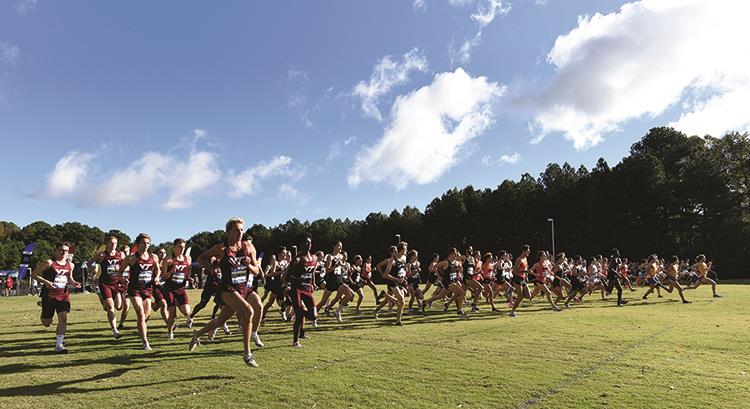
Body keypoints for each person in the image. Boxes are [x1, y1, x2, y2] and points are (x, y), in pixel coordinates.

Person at [189, 217, 261, 367]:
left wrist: (249, 266)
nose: (240, 233)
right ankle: (247, 354)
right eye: (236, 230)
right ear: (228, 232)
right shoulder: (221, 249)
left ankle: (197, 334)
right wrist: (210, 268)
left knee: (221, 321)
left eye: (242, 230)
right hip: (228, 289)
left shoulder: (248, 246)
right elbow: (200, 258)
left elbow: (256, 271)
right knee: (248, 311)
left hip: (245, 288)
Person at [31, 242, 81, 353]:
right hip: (49, 294)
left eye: (66, 251)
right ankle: (43, 307)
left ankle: (59, 345)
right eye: (61, 250)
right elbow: (34, 274)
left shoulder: (70, 265)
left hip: (63, 294)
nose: (64, 253)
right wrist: (46, 281)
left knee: (63, 317)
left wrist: (74, 283)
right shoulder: (49, 263)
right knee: (47, 322)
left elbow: (69, 278)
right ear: (56, 251)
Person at [120, 233, 160, 350]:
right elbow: (120, 271)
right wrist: (122, 278)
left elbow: (157, 270)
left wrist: (157, 277)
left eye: (148, 243)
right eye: (143, 243)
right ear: (137, 244)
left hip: (147, 289)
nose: (146, 245)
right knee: (140, 314)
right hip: (134, 289)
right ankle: (145, 342)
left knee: (146, 316)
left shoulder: (154, 257)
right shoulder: (131, 258)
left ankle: (141, 328)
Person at [89, 235, 126, 338]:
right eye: (111, 243)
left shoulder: (120, 255)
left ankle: (101, 297)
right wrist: (93, 270)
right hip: (105, 283)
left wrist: (123, 275)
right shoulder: (101, 255)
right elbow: (89, 263)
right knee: (110, 308)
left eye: (115, 243)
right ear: (107, 244)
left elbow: (124, 266)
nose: (113, 245)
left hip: (116, 284)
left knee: (118, 307)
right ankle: (115, 330)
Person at [285, 233, 318, 347]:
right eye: (306, 242)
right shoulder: (298, 259)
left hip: (307, 289)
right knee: (299, 317)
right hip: (296, 289)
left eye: (309, 242)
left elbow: (312, 271)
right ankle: (295, 341)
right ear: (301, 244)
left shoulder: (314, 258)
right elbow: (286, 277)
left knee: (313, 316)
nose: (308, 244)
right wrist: (295, 278)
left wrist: (313, 283)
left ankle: (297, 312)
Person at [161, 238, 194, 340]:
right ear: (174, 247)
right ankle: (170, 332)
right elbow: (163, 277)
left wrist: (190, 279)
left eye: (183, 247)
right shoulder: (168, 259)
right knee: (172, 314)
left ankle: (177, 302)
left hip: (181, 289)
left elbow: (187, 273)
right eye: (179, 247)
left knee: (186, 312)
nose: (182, 249)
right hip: (170, 289)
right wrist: (171, 272)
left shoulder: (188, 259)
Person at [373, 242, 409, 325]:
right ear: (401, 250)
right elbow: (386, 274)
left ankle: (380, 304)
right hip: (393, 281)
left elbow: (402, 270)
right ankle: (398, 321)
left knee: (396, 301)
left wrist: (404, 278)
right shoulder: (392, 260)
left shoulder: (404, 257)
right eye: (405, 249)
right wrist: (396, 279)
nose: (406, 250)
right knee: (401, 301)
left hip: (400, 281)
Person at [509, 245, 533, 317]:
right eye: (527, 251)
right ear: (523, 251)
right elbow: (515, 270)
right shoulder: (519, 259)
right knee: (521, 296)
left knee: (529, 296)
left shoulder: (525, 259)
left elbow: (525, 268)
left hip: (522, 279)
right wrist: (525, 271)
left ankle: (513, 291)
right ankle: (512, 312)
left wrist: (526, 276)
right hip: (517, 278)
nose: (529, 252)